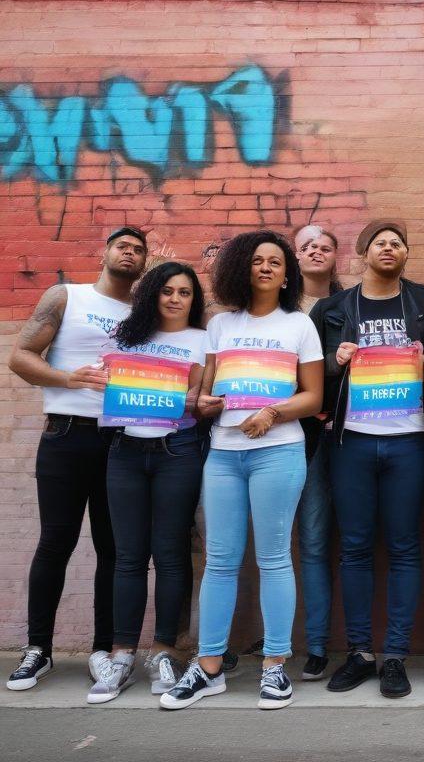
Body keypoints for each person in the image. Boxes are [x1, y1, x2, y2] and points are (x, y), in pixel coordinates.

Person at [160, 230, 323, 711]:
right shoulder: (220, 325)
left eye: (276, 261)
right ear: (241, 268)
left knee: (273, 557)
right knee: (220, 560)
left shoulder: (299, 325)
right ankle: (208, 666)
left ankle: (275, 667)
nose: (267, 267)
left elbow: (313, 397)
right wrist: (204, 404)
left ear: (287, 273)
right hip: (224, 455)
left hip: (279, 452)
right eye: (257, 260)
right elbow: (205, 395)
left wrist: (272, 413)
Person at [7, 227, 148, 692]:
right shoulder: (67, 295)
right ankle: (38, 650)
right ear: (105, 252)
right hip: (67, 434)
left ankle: (104, 651)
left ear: (144, 262)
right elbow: (21, 357)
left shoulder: (143, 314)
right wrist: (70, 379)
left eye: (138, 249)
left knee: (114, 550)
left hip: (121, 440)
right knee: (56, 542)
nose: (130, 253)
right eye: (123, 246)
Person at [310, 220, 424, 698]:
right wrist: (334, 359)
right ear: (363, 252)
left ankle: (397, 657)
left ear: (407, 253)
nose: (389, 248)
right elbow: (308, 371)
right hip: (351, 441)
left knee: (405, 546)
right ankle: (361, 653)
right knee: (356, 547)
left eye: (398, 243)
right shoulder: (332, 308)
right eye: (380, 242)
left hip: (410, 439)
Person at [86, 263, 208, 703]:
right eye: (167, 291)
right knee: (128, 556)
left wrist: (201, 400)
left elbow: (200, 400)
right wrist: (99, 379)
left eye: (185, 293)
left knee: (172, 553)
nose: (175, 299)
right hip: (125, 451)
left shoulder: (202, 340)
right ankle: (122, 654)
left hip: (178, 450)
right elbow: (105, 384)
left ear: (194, 301)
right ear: (152, 294)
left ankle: (163, 652)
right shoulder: (126, 335)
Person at [293, 224, 342, 681]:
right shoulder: (277, 308)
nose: (315, 251)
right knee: (305, 542)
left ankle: (333, 646)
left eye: (324, 246)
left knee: (334, 542)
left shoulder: (351, 305)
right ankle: (311, 646)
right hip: (293, 435)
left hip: (344, 434)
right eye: (307, 245)